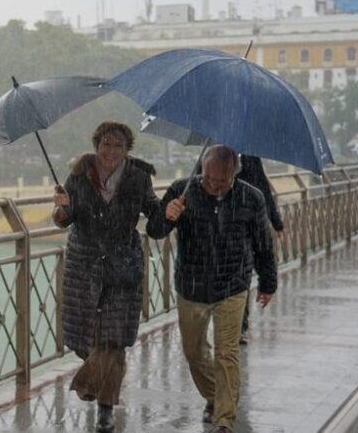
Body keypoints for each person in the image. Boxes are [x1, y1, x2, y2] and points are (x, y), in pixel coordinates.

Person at [147, 145, 278, 433]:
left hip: (232, 285)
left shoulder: (250, 197)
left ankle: (224, 420)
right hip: (190, 286)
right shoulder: (183, 190)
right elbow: (154, 230)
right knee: (193, 352)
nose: (214, 185)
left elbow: (263, 244)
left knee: (227, 353)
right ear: (202, 170)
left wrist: (268, 282)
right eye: (209, 179)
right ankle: (215, 395)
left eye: (222, 180)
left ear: (235, 174)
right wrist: (168, 216)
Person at [52, 121, 161, 433]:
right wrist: (61, 209)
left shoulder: (139, 177)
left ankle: (104, 408)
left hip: (122, 267)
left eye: (118, 145)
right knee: (87, 341)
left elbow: (153, 213)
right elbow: (65, 219)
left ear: (127, 150)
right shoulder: (79, 175)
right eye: (106, 144)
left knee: (112, 341)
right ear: (96, 145)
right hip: (83, 265)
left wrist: (168, 212)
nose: (111, 151)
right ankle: (97, 380)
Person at [236, 155, 284, 344]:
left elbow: (262, 189)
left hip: (244, 228)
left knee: (240, 277)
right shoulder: (210, 157)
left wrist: (276, 222)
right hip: (215, 230)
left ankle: (239, 326)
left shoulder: (249, 158)